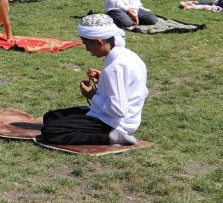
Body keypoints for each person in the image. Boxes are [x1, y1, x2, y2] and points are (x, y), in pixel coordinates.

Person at [39, 14, 147, 146]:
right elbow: (134, 89)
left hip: (114, 122)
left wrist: (92, 95)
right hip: (114, 115)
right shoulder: (128, 56)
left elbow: (119, 110)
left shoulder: (115, 67)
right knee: (50, 117)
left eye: (87, 45)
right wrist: (103, 80)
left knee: (51, 130)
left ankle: (112, 136)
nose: (87, 49)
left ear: (99, 42)